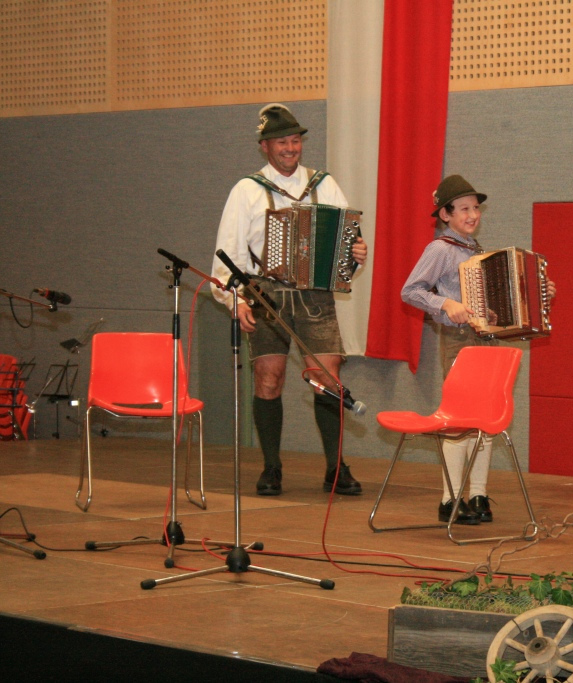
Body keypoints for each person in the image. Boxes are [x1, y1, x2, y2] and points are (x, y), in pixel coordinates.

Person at [211, 103, 368, 497]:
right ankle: (271, 467)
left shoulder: (323, 184)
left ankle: (336, 468)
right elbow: (227, 253)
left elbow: (347, 241)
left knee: (327, 380)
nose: (290, 148)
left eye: (295, 140)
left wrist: (355, 254)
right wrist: (236, 301)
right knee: (269, 379)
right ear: (265, 146)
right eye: (281, 141)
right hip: (266, 296)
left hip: (316, 296)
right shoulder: (246, 190)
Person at [401, 175, 555, 526]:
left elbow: (496, 305)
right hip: (458, 340)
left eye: (475, 208)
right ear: (445, 214)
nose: (472, 215)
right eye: (464, 209)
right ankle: (450, 499)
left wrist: (538, 291)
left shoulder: (477, 251)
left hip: (485, 341)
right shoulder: (440, 249)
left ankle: (479, 495)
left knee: (484, 419)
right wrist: (445, 304)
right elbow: (410, 291)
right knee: (459, 421)